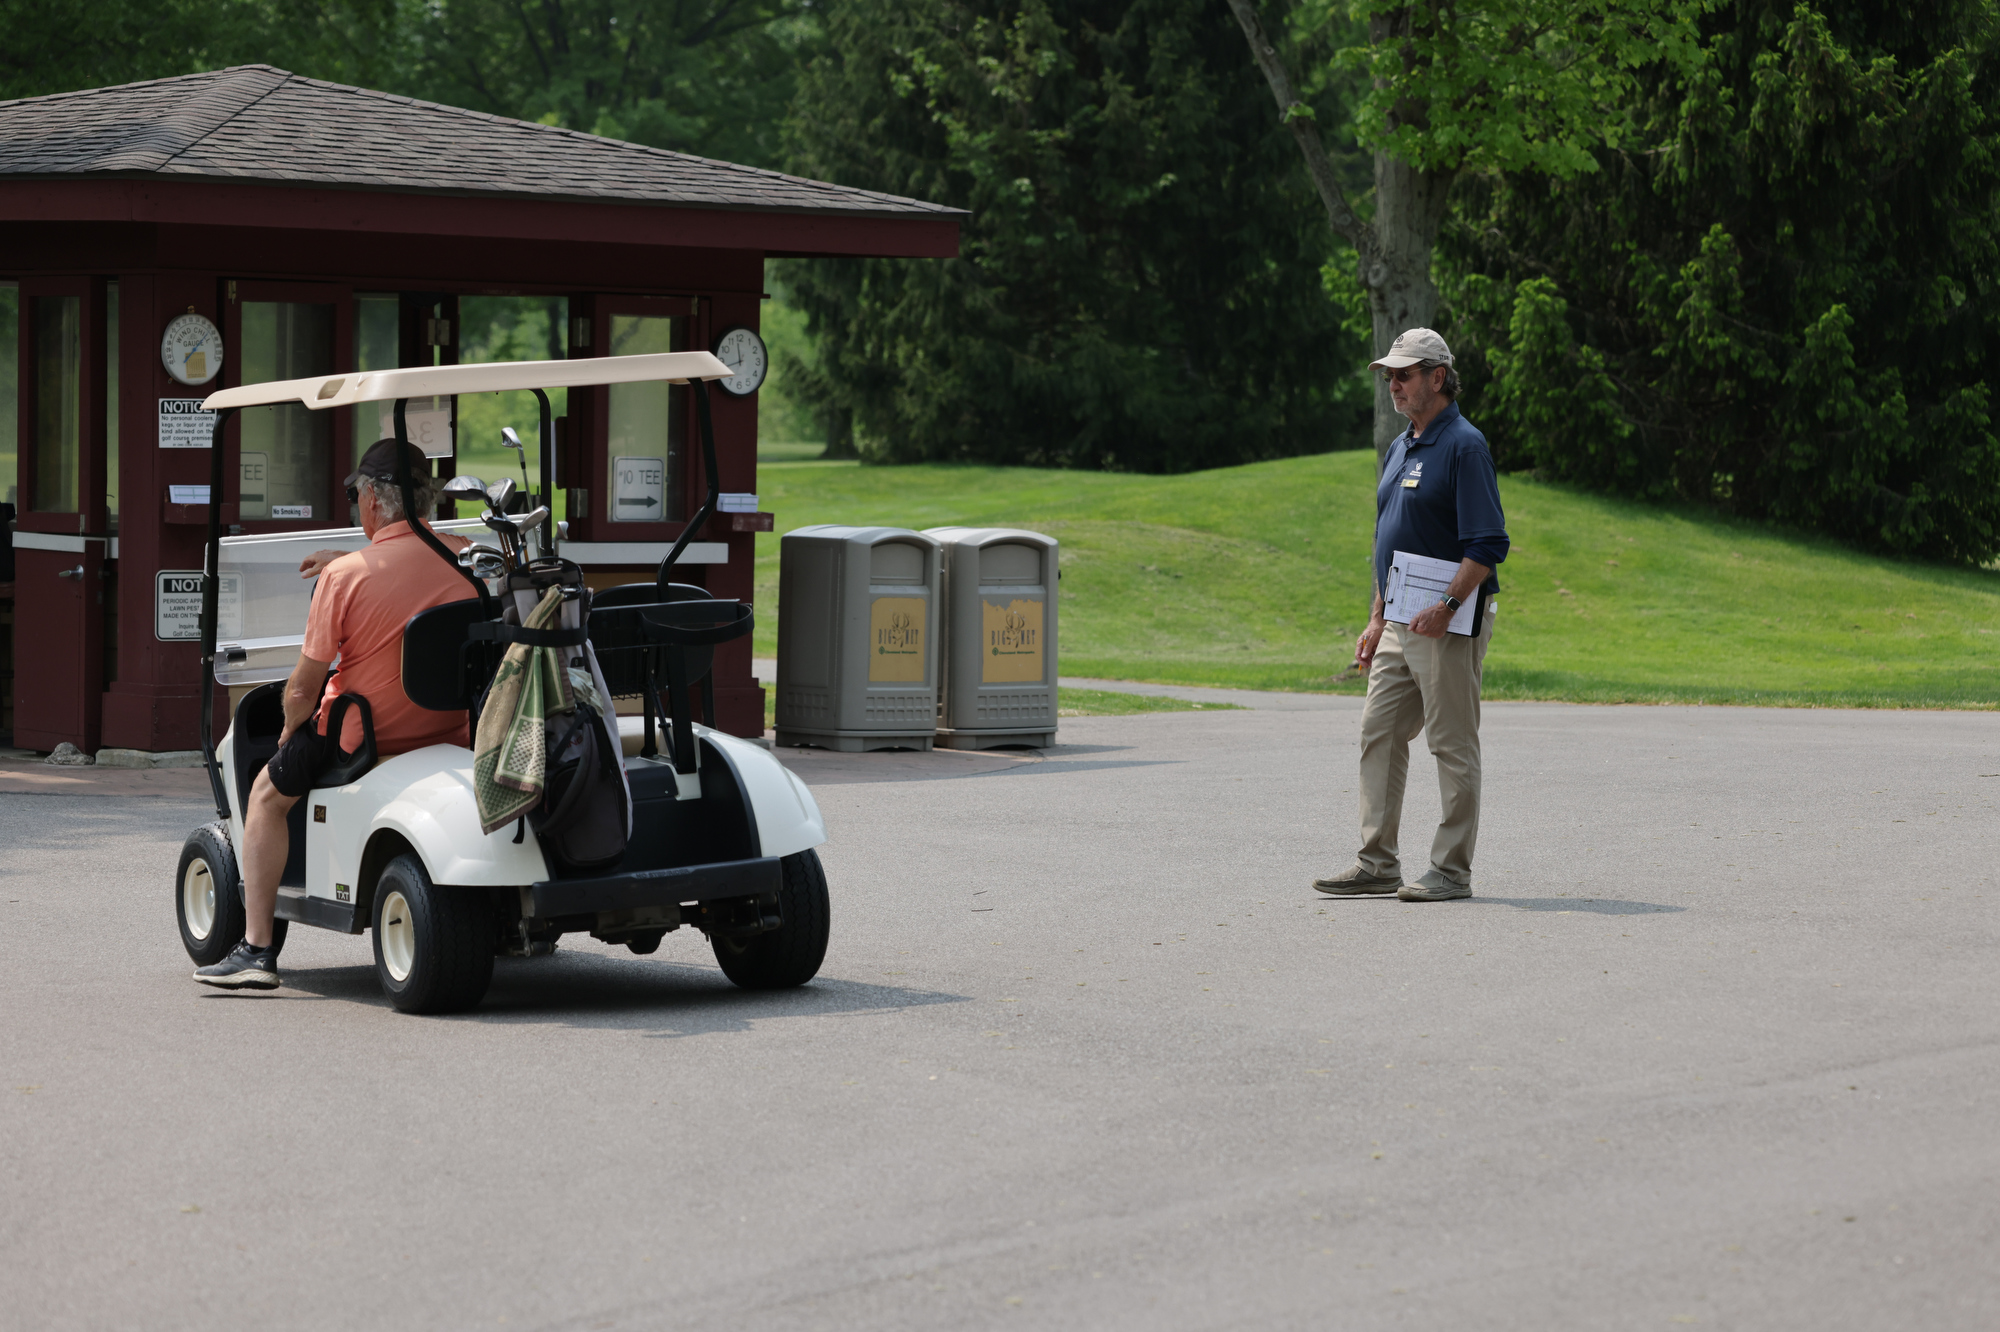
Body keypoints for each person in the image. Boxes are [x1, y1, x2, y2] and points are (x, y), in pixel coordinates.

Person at [195, 441, 471, 989]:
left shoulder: (344, 580)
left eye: (356, 496)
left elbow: (302, 689)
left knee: (265, 794)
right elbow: (411, 559)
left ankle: (256, 949)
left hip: (364, 737)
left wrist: (289, 728)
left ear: (372, 500)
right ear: (427, 499)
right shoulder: (466, 558)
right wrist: (348, 556)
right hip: (450, 730)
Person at [1315, 328, 1508, 903]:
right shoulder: (1401, 446)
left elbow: (1487, 544)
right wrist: (1376, 617)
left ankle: (1451, 870)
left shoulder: (1465, 446)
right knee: (1379, 732)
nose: (1393, 385)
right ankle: (1377, 863)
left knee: (1451, 742)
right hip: (1398, 620)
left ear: (1437, 377)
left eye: (1404, 374)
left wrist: (1447, 606)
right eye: (1389, 376)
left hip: (1448, 621)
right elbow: (1389, 538)